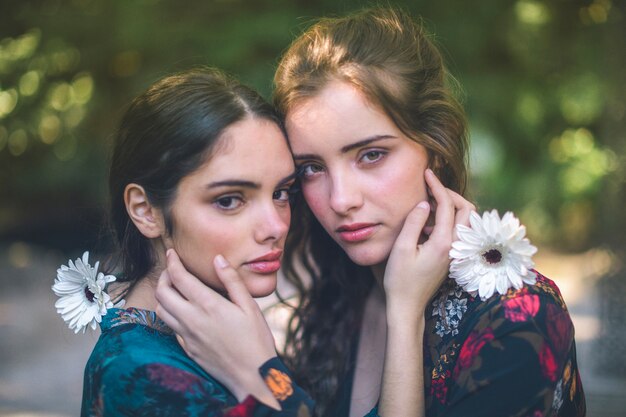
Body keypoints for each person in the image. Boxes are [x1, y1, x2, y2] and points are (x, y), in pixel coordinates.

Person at [156, 8, 586, 417]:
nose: (341, 200)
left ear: (434, 148)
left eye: (371, 155)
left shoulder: (515, 316)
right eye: (312, 168)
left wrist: (262, 376)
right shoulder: (340, 292)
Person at [79, 68, 314, 416]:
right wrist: (264, 371)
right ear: (146, 211)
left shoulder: (206, 338)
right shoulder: (140, 376)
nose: (276, 225)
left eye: (281, 192)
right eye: (229, 200)